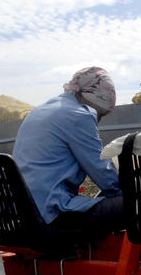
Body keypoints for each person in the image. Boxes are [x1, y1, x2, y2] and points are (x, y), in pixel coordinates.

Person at [12, 66, 124, 236]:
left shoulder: (39, 110)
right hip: (52, 217)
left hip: (22, 215)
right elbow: (106, 177)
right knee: (138, 206)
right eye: (99, 114)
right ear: (91, 101)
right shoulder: (80, 115)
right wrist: (131, 191)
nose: (98, 120)